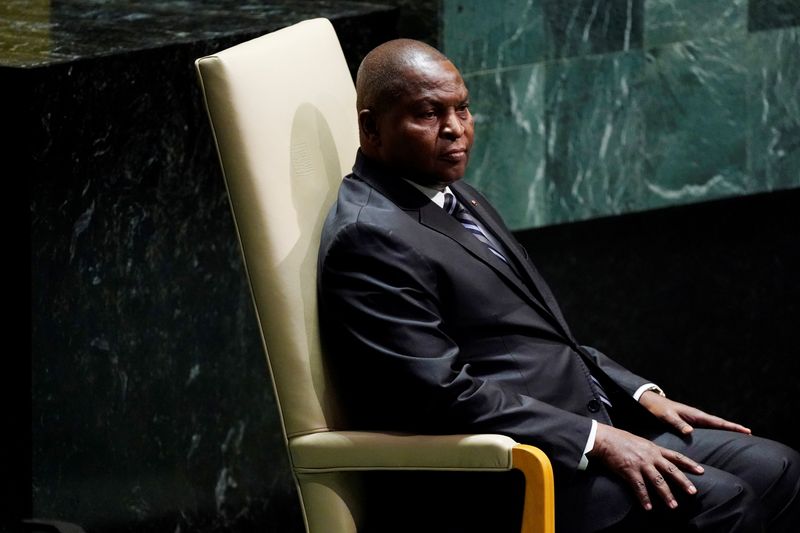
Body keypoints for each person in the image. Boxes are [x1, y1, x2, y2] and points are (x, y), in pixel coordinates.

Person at [317, 38, 800, 532]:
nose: (455, 129)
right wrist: (596, 439)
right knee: (726, 502)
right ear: (372, 127)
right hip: (516, 469)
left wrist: (637, 394)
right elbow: (439, 394)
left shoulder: (451, 192)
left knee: (777, 468)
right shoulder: (370, 236)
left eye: (462, 108)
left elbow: (541, 337)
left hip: (581, 419)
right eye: (428, 114)